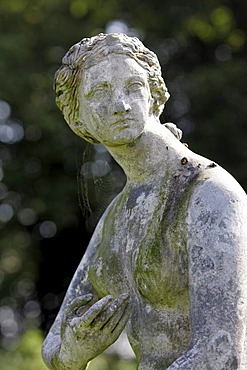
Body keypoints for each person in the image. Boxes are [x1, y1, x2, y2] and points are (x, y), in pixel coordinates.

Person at [42, 33, 247, 369]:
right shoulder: (118, 217)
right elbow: (53, 347)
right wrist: (74, 351)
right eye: (99, 92)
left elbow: (221, 355)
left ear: (155, 96)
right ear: (77, 118)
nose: (120, 105)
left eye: (133, 86)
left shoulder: (210, 195)